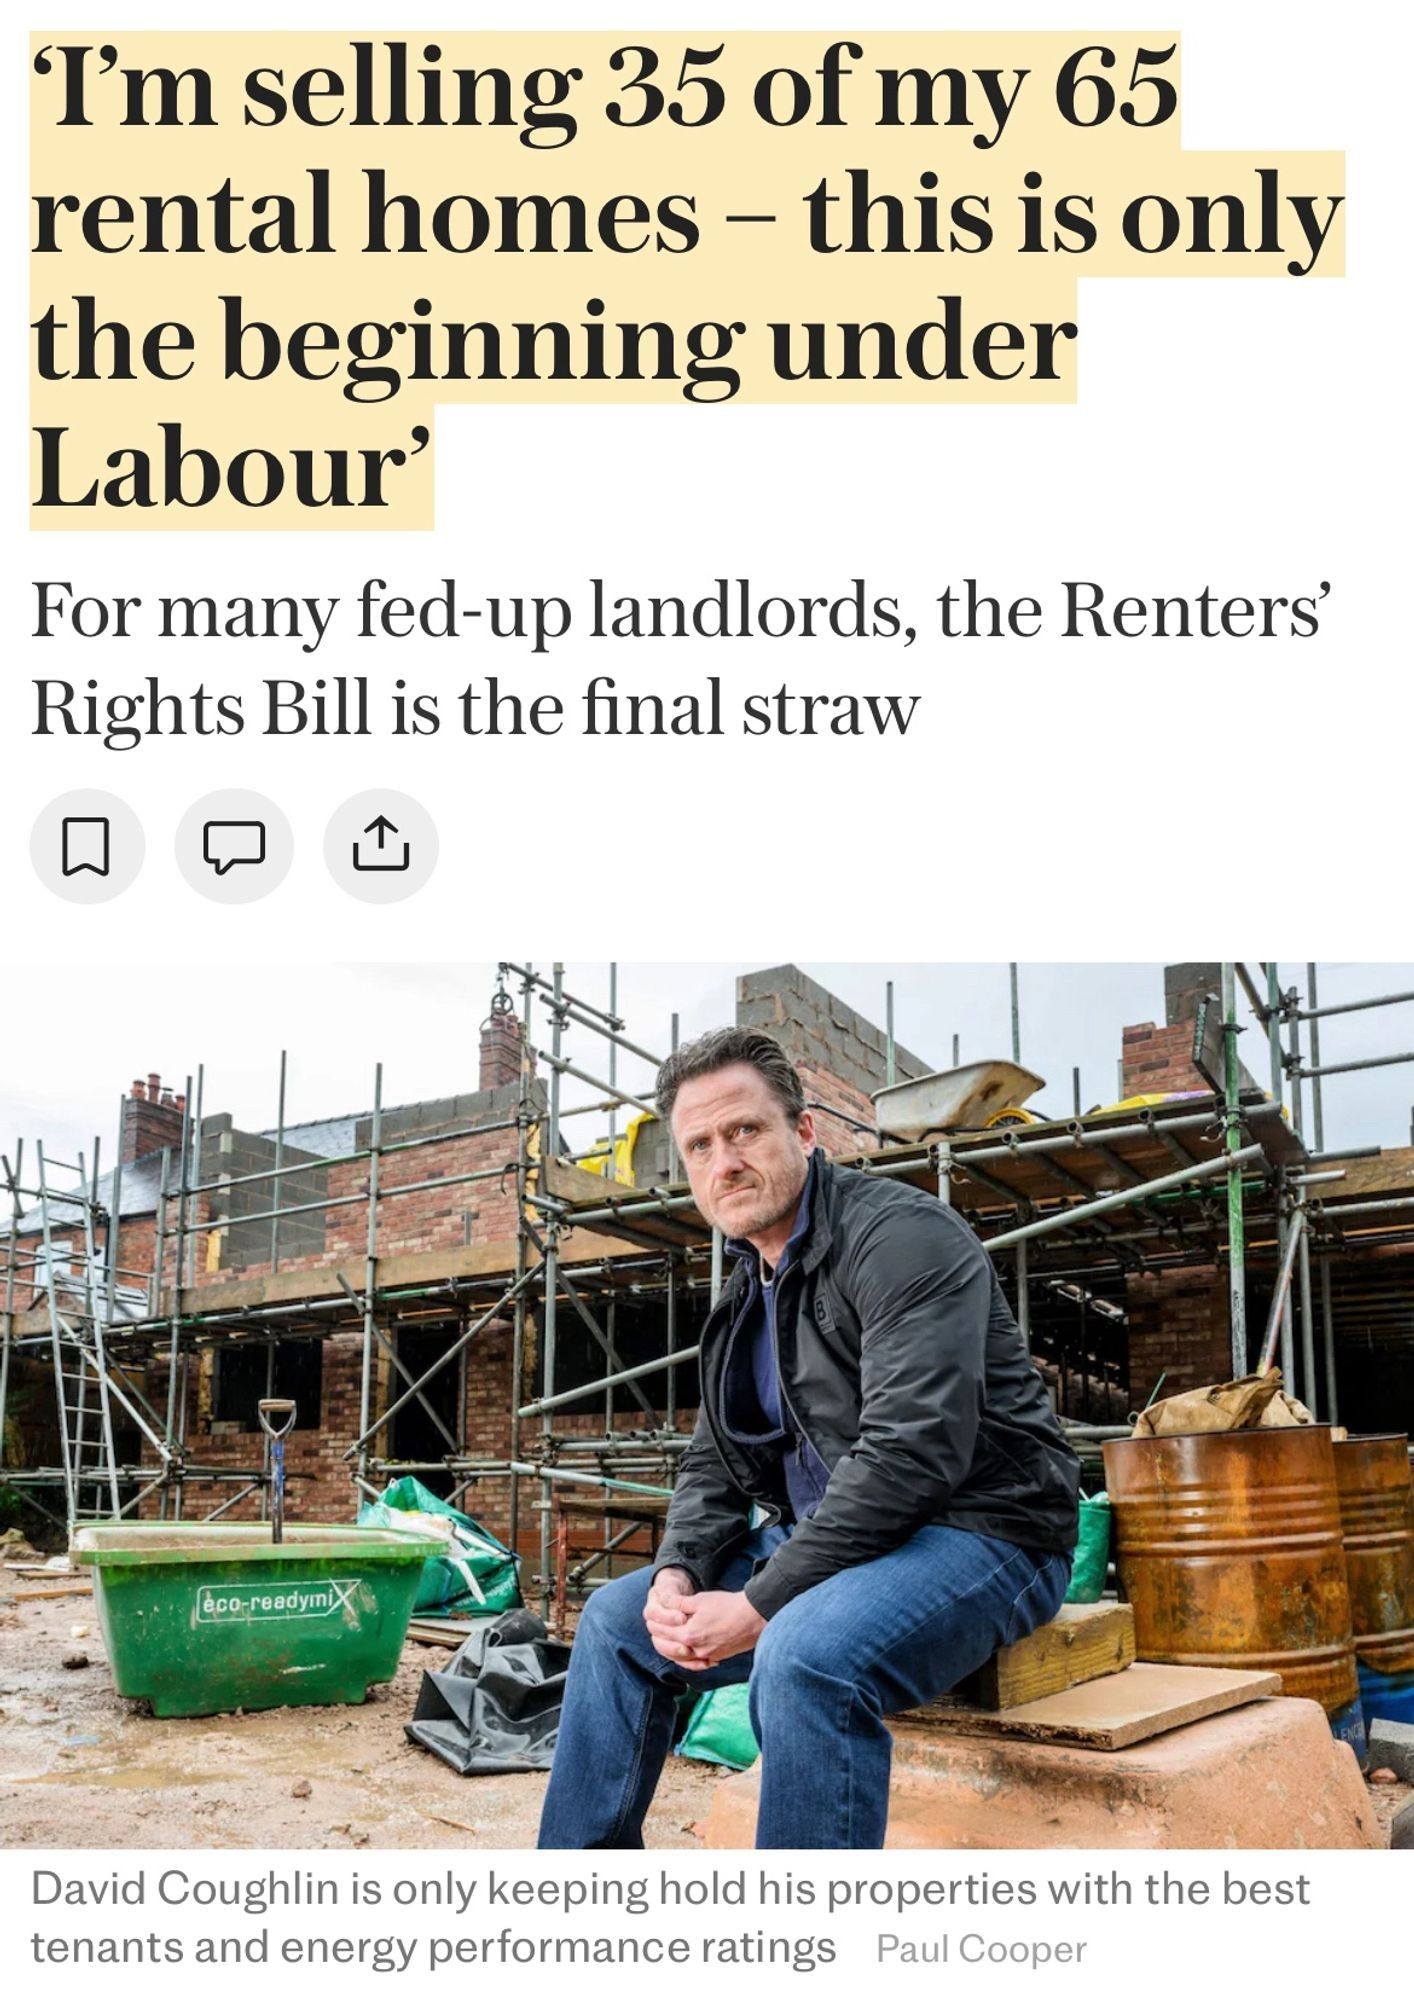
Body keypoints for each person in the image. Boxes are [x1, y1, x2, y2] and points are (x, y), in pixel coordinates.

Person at [537, 1027, 1079, 1849]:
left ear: (804, 1133)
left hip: (985, 1533)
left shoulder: (904, 1240)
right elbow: (717, 1453)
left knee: (802, 1653)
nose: (725, 1161)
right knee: (618, 1622)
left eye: (745, 1130)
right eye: (700, 1146)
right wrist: (678, 1569)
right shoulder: (748, 1283)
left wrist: (758, 1603)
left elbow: (911, 1453)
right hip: (840, 1543)